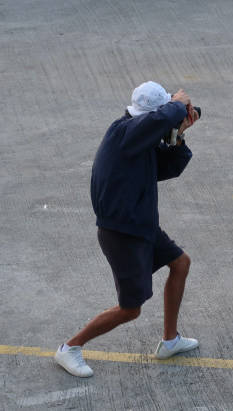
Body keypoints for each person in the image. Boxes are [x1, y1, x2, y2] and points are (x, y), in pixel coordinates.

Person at [54, 81, 201, 377]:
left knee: (180, 263)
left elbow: (169, 168)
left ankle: (170, 340)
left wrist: (177, 136)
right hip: (122, 234)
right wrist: (177, 103)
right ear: (151, 116)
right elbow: (160, 119)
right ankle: (70, 347)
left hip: (142, 226)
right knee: (130, 309)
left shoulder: (140, 140)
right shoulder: (123, 133)